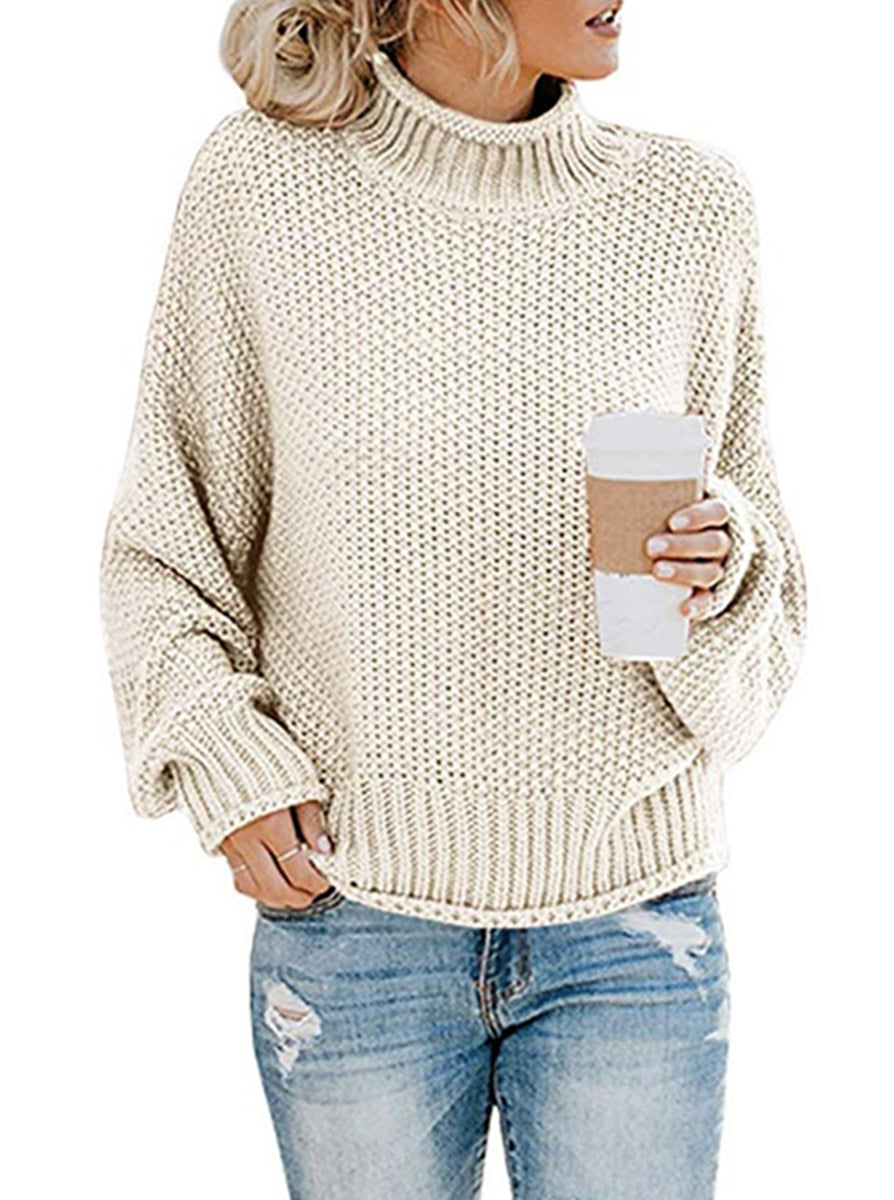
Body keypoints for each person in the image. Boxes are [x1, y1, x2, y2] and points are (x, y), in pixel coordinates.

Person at [98, 1, 808, 1196]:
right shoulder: (259, 188)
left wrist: (721, 567)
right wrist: (222, 757)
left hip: (635, 931)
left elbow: (765, 611)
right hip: (355, 924)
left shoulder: (691, 207)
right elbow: (166, 542)